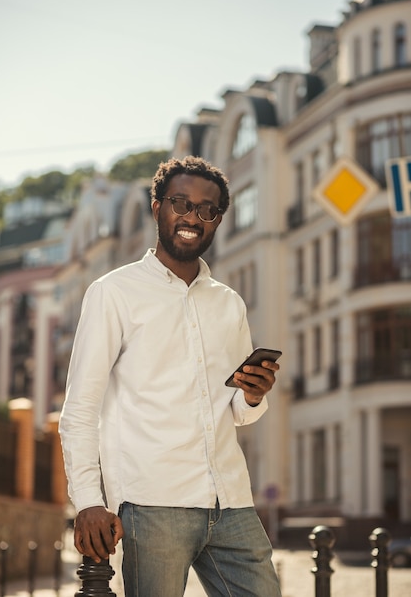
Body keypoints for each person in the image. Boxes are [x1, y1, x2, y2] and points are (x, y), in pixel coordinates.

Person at [59, 155, 282, 597]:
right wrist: (88, 501)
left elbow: (237, 412)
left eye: (207, 209)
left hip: (231, 502)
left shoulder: (229, 303)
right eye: (180, 203)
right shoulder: (113, 293)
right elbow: (81, 409)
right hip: (152, 503)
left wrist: (253, 397)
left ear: (217, 220)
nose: (192, 217)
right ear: (157, 206)